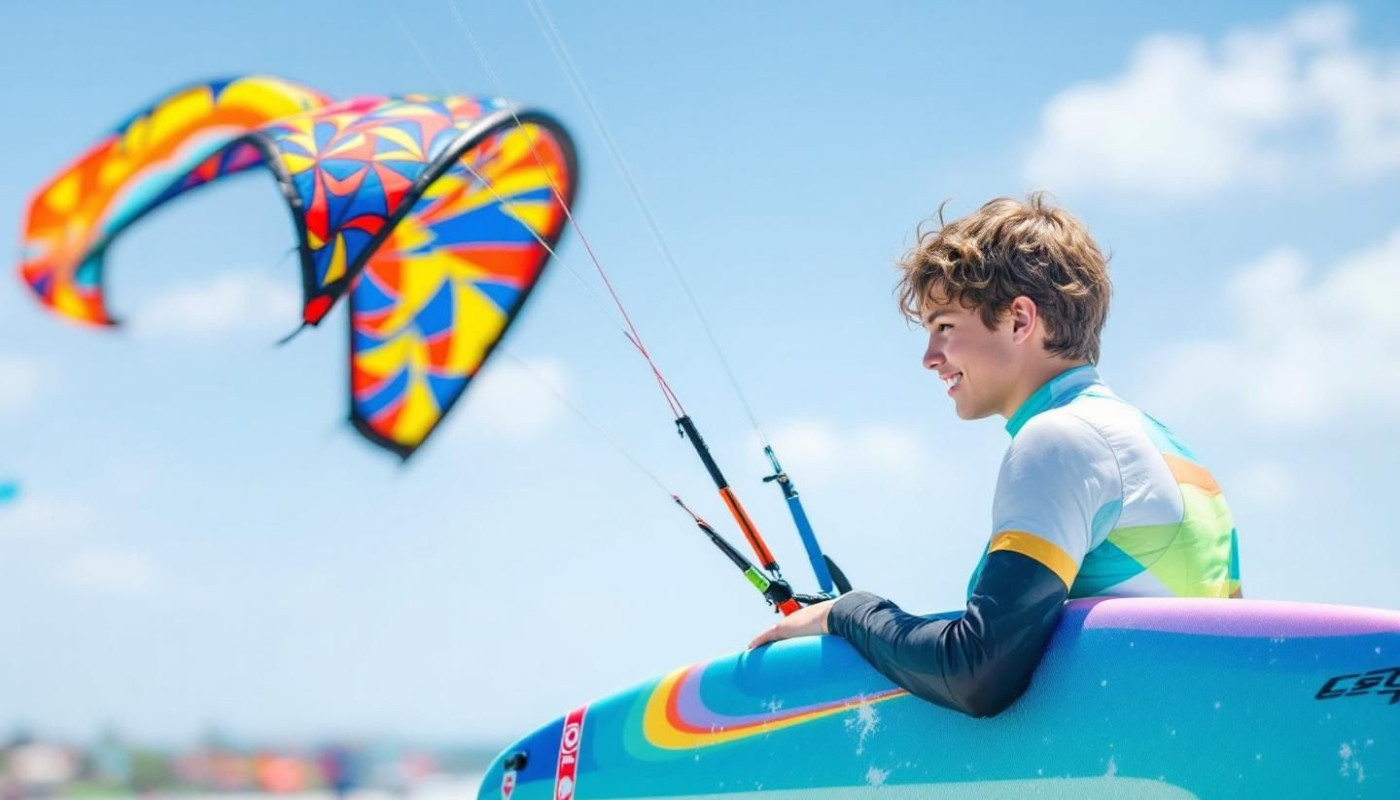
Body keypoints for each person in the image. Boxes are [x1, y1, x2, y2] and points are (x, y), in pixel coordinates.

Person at [748, 192, 1242, 718]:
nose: (929, 358)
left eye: (945, 327)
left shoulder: (1061, 439)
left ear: (1019, 319)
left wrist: (850, 613)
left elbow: (976, 673)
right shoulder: (1175, 453)